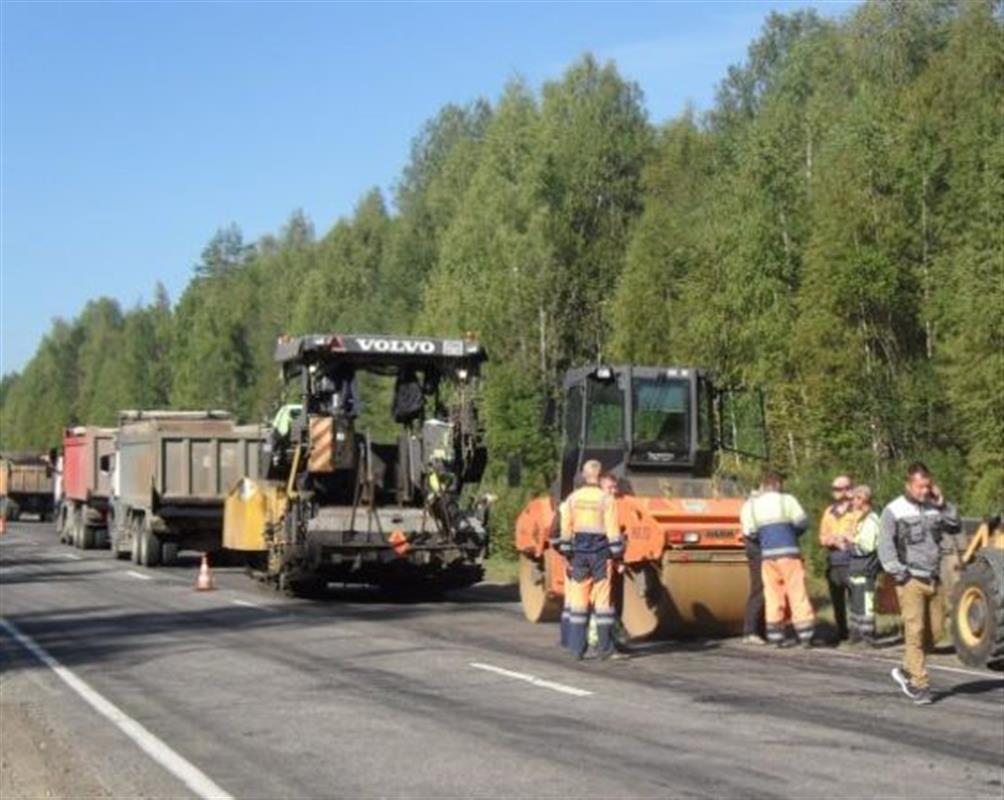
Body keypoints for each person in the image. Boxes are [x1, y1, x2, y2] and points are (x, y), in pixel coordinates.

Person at [878, 462, 961, 705]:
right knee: (914, 631)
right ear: (908, 485)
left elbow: (954, 525)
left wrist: (943, 503)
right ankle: (919, 684)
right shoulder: (894, 510)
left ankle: (907, 668)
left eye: (927, 486)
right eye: (919, 486)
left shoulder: (934, 507)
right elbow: (885, 545)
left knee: (935, 632)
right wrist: (898, 572)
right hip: (910, 578)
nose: (924, 491)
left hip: (933, 578)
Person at [740, 471, 815, 648]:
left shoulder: (752, 505)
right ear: (778, 484)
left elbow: (750, 532)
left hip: (767, 556)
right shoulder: (787, 500)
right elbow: (802, 523)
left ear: (764, 485)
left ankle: (775, 635)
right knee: (797, 592)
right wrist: (791, 534)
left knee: (772, 594)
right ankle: (805, 635)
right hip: (789, 553)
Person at [558, 460, 623, 660]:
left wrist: (568, 554)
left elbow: (566, 528)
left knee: (578, 603)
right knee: (602, 603)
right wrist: (618, 555)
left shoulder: (573, 499)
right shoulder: (606, 500)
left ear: (584, 476)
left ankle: (577, 649)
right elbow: (613, 531)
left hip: (579, 554)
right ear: (599, 475)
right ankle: (605, 649)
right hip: (601, 554)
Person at [819, 475, 856, 642]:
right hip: (834, 561)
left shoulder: (857, 510)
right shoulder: (829, 512)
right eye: (834, 489)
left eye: (838, 489)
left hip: (853, 560)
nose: (834, 492)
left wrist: (847, 539)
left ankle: (859, 634)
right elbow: (822, 536)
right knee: (837, 601)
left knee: (857, 599)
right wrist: (832, 540)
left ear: (848, 489)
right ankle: (842, 633)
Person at [848, 485, 880, 645]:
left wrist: (850, 542)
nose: (852, 501)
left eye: (855, 498)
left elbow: (866, 547)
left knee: (867, 603)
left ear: (863, 500)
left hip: (866, 567)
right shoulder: (860, 518)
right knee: (856, 601)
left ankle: (868, 635)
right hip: (857, 568)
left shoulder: (871, 520)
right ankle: (856, 633)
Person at [740, 487, 767, 645]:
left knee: (764, 589)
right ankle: (751, 631)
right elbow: (752, 530)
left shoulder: (752, 505)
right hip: (756, 547)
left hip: (757, 546)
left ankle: (761, 629)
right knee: (759, 588)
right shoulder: (752, 506)